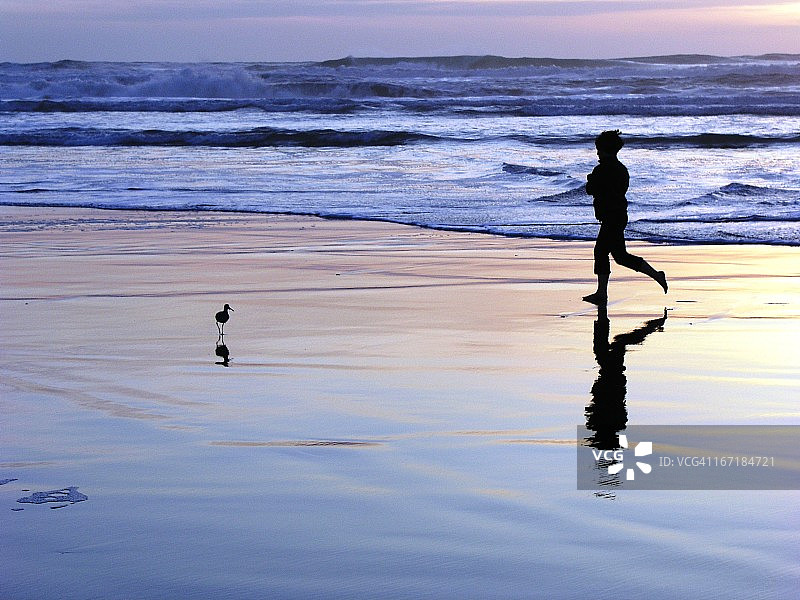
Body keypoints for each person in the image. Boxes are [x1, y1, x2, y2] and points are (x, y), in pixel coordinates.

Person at [583, 130, 667, 305]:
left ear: (605, 150)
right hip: (619, 215)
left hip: (612, 217)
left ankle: (602, 294)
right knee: (620, 256)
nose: (597, 153)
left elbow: (591, 190)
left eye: (599, 149)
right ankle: (656, 275)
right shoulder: (621, 169)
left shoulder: (602, 169)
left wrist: (591, 180)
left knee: (601, 252)